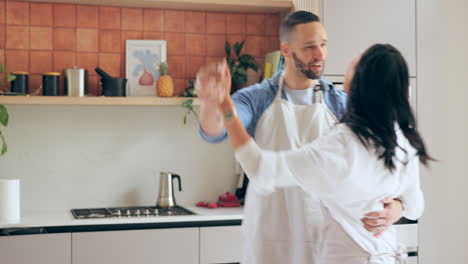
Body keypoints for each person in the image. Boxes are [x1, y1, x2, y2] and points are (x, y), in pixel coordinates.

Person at [196, 11, 405, 264]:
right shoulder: (256, 98)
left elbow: (381, 167)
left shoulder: (343, 105)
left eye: (323, 44)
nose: (320, 54)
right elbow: (215, 131)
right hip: (272, 240)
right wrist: (211, 102)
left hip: (329, 242)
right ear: (285, 49)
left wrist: (397, 207)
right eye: (309, 47)